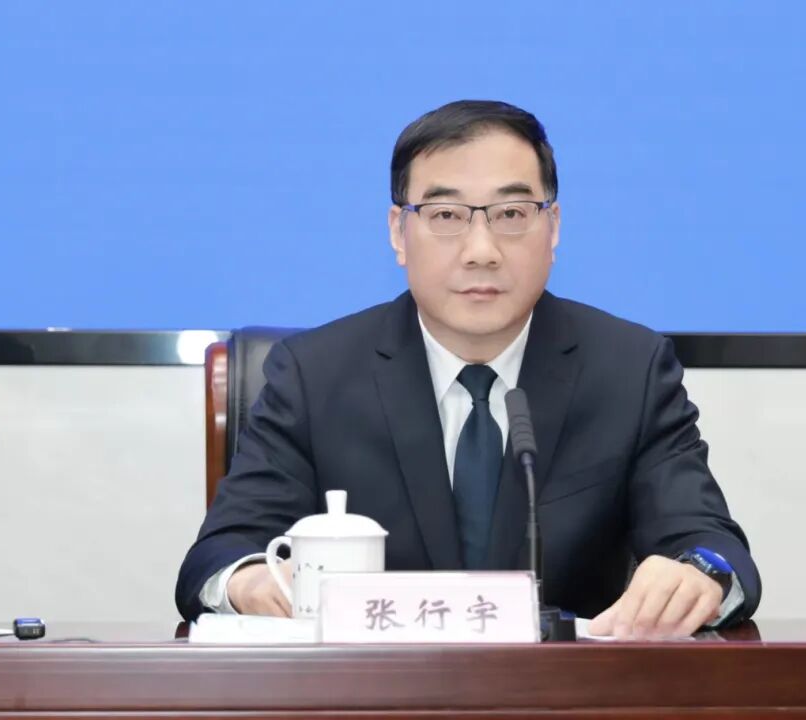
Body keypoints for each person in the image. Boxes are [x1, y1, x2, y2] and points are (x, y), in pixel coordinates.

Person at [176, 100, 761, 639]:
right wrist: (251, 580)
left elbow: (712, 545)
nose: (481, 249)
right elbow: (219, 555)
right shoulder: (314, 374)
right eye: (446, 214)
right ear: (398, 232)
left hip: (563, 695)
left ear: (553, 227)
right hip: (372, 694)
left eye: (512, 213)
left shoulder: (629, 369)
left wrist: (697, 574)